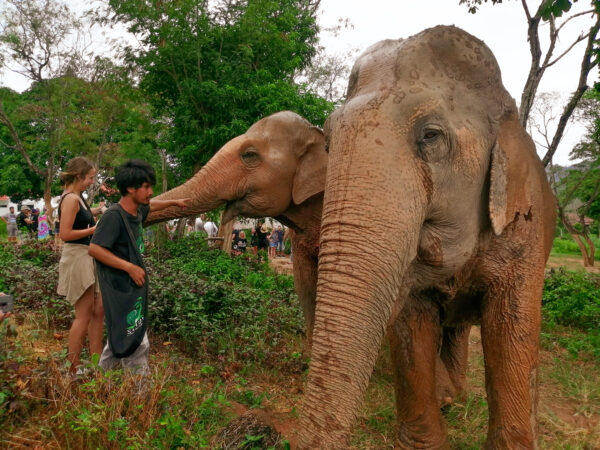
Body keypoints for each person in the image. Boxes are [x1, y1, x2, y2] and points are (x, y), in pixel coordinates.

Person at [89, 159, 188, 374]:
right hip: (119, 286)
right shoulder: (113, 217)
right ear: (130, 189)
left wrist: (174, 202)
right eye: (146, 187)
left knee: (122, 335)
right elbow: (95, 249)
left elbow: (152, 205)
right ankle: (141, 393)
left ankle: (97, 381)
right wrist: (129, 267)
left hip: (134, 286)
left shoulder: (138, 211)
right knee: (135, 338)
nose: (150, 191)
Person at [56, 157, 106, 374]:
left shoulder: (78, 197)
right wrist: (93, 231)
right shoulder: (71, 200)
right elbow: (65, 234)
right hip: (78, 256)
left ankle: (96, 364)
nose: (92, 182)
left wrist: (98, 210)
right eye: (90, 177)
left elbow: (81, 217)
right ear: (79, 176)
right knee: (83, 315)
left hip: (87, 256)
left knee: (98, 310)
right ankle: (72, 369)